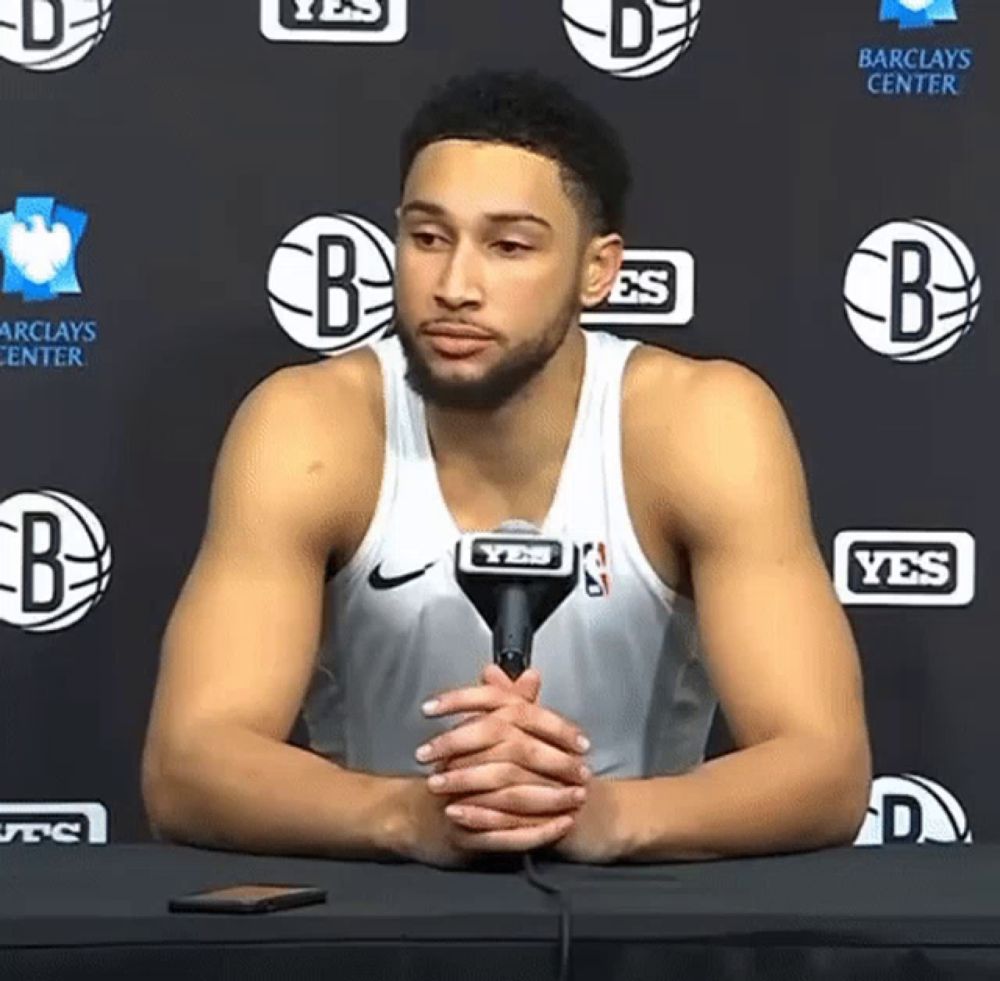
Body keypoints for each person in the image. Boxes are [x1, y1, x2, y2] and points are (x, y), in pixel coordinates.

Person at [141, 71, 871, 868]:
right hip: (378, 924)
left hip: (637, 932)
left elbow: (825, 768)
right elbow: (188, 764)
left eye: (509, 246)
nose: (455, 286)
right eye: (428, 238)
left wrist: (599, 813)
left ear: (598, 270)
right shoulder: (310, 423)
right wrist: (409, 815)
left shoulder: (700, 422)